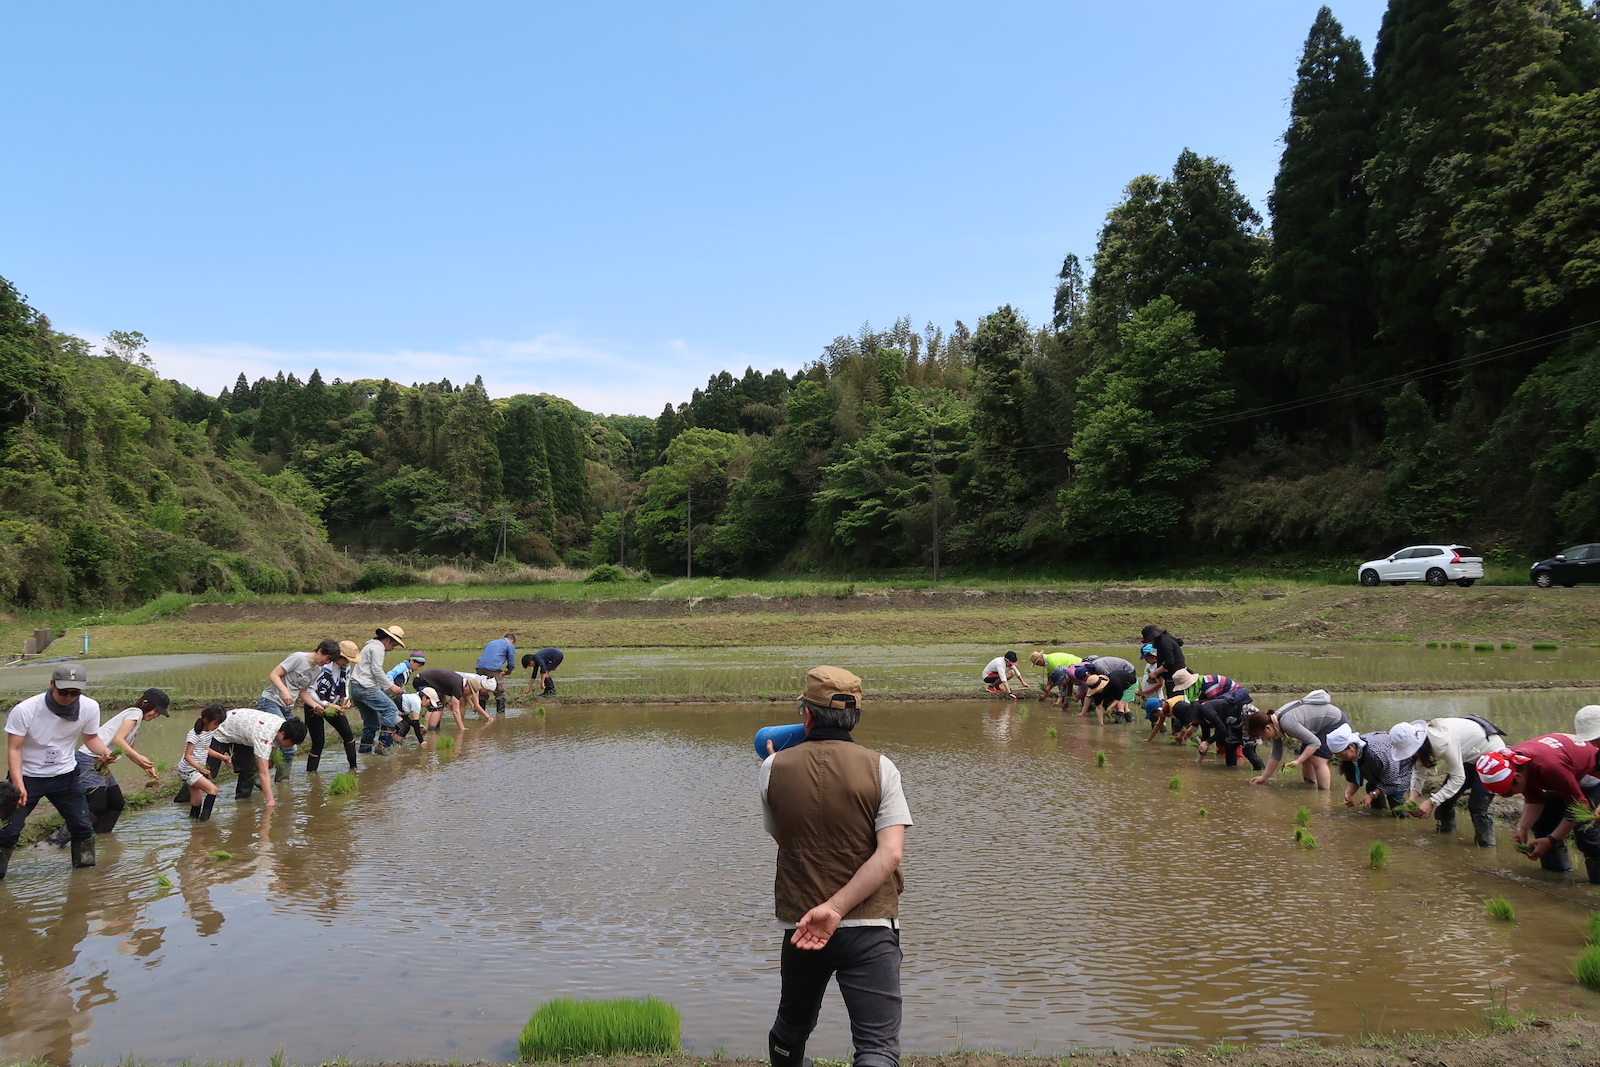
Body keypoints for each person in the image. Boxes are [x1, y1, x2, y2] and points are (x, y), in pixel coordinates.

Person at [760, 666, 911, 1067]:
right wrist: (839, 908)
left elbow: (785, 839)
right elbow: (889, 855)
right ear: (855, 717)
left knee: (789, 1030)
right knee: (877, 1047)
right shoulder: (883, 768)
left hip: (803, 924)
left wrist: (776, 767)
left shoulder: (772, 769)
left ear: (806, 715)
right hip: (870, 926)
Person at [1, 665, 116, 877]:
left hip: (65, 776)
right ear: (52, 684)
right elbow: (14, 749)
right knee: (9, 831)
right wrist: (18, 784)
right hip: (27, 776)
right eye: (63, 692)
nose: (69, 697)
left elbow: (90, 738)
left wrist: (104, 752)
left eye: (75, 693)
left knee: (81, 827)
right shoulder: (26, 709)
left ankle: (84, 878)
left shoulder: (89, 707)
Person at [1477, 732, 1600, 880]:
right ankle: (1556, 879)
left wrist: (1551, 840)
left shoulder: (1550, 767)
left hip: (1590, 775)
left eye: (1509, 793)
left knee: (1587, 834)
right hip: (1563, 778)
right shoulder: (1515, 764)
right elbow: (1535, 799)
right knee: (1543, 825)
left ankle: (1596, 885)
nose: (1511, 795)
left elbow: (1578, 807)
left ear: (1517, 778)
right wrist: (1522, 828)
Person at [75, 687, 170, 834]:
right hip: (89, 759)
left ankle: (101, 836)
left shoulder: (136, 721)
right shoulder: (135, 713)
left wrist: (144, 766)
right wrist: (139, 757)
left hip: (101, 763)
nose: (156, 715)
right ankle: (57, 841)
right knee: (97, 804)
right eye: (156, 711)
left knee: (116, 803)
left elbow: (128, 749)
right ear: (146, 703)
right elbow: (118, 740)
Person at [1407, 714, 1509, 846]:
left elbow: (1458, 779)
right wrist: (1412, 799)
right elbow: (1419, 771)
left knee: (1477, 807)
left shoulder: (1442, 741)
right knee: (1445, 802)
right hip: (1469, 756)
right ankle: (1444, 839)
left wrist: (1431, 802)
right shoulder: (1421, 741)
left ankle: (1486, 847)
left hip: (1491, 756)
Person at [260, 638, 341, 778]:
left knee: (291, 747)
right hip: (270, 701)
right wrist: (284, 691)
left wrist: (317, 706)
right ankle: (258, 777)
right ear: (320, 650)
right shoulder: (298, 658)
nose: (327, 663)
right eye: (327, 659)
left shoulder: (316, 670)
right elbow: (274, 674)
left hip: (286, 708)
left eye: (330, 662)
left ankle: (282, 782)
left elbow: (303, 692)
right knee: (272, 743)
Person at [1245, 690, 1348, 790]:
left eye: (1262, 735)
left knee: (1318, 758)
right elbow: (1276, 755)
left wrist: (1298, 761)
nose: (1265, 738)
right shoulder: (1275, 724)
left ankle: (1324, 795)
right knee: (1306, 755)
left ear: (1267, 728)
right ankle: (1309, 787)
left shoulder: (1287, 723)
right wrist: (1263, 777)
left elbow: (1315, 743)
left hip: (1334, 721)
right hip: (1319, 723)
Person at [211, 708, 309, 807]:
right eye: (292, 742)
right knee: (208, 772)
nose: (292, 745)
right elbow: (264, 773)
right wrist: (270, 801)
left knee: (249, 769)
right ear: (283, 734)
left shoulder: (283, 725)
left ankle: (243, 803)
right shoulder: (263, 736)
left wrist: (270, 757)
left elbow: (272, 742)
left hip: (242, 736)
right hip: (220, 731)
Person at [1329, 722, 1423, 811]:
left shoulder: (1376, 754)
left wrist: (1372, 795)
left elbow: (1392, 781)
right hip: (1381, 771)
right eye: (1338, 756)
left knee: (1395, 797)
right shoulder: (1355, 753)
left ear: (1352, 746)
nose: (1343, 759)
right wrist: (1349, 793)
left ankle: (1403, 820)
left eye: (1343, 755)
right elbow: (1356, 776)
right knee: (1371, 787)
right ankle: (1379, 813)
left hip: (1400, 769)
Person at [350, 625, 407, 756]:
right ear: (387, 640)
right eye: (394, 645)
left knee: (372, 723)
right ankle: (383, 746)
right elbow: (377, 670)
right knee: (391, 710)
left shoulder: (370, 646)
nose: (392, 649)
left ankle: (365, 752)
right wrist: (391, 686)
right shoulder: (378, 648)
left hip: (355, 688)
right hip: (366, 687)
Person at [305, 640, 360, 773]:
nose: (348, 663)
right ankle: (311, 775)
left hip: (333, 705)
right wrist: (325, 704)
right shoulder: (322, 667)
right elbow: (310, 691)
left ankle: (354, 768)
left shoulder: (345, 667)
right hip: (314, 705)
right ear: (337, 656)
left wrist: (345, 699)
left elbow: (345, 684)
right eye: (346, 659)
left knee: (348, 735)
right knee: (318, 743)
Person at [179, 705, 229, 821]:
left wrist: (222, 757)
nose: (217, 727)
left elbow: (205, 748)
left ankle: (194, 823)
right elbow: (187, 756)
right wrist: (200, 769)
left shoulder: (208, 732)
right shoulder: (194, 735)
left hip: (194, 769)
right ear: (206, 720)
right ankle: (204, 822)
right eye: (216, 723)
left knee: (197, 801)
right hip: (188, 770)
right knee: (213, 790)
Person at [1080, 655, 1137, 726]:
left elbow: (1118, 697)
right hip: (1120, 684)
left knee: (1120, 706)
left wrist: (1110, 708)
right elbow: (1098, 707)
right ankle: (1126, 724)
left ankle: (1123, 727)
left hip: (1130, 683)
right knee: (1119, 706)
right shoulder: (1096, 692)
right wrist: (1101, 724)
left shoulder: (1113, 683)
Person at [476, 633, 517, 716]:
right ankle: (500, 715)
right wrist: (509, 670)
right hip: (493, 668)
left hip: (479, 667)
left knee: (482, 689)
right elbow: (511, 661)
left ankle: (481, 713)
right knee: (499, 691)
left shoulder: (490, 643)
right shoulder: (509, 645)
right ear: (512, 641)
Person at [1140, 625, 1186, 696]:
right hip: (1173, 676)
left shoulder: (1164, 642)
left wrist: (1155, 673)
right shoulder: (1164, 640)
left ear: (1152, 637)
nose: (1150, 643)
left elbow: (1169, 662)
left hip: (1175, 677)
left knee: (1175, 701)